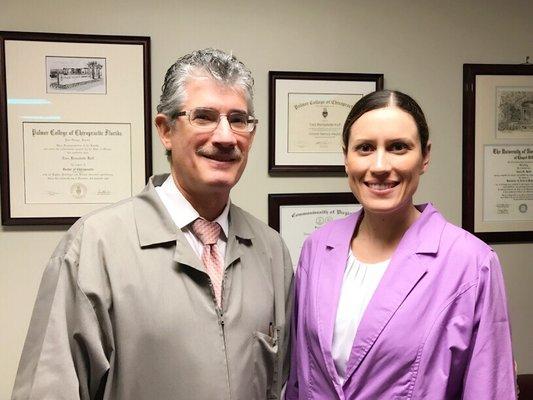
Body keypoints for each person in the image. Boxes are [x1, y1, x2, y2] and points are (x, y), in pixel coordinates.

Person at [12, 48, 293, 400]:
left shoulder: (270, 251)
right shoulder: (95, 246)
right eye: (204, 117)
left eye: (239, 120)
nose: (225, 137)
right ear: (165, 130)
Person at [285, 90, 516, 399]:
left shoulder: (471, 263)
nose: (380, 165)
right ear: (345, 158)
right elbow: (300, 379)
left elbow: (488, 390)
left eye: (398, 147)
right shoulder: (317, 248)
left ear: (425, 156)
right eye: (365, 148)